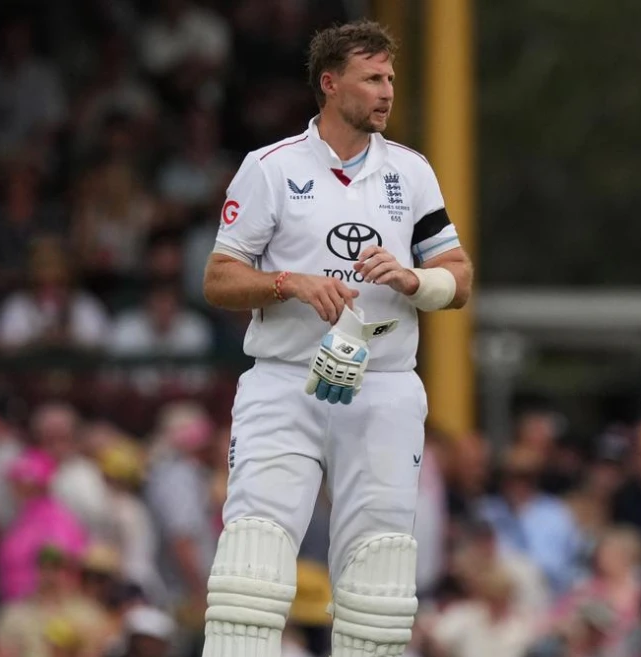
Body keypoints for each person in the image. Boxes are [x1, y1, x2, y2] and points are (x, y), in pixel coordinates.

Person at [198, 19, 473, 657]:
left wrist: (412, 280)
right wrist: (289, 283)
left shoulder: (412, 171)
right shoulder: (269, 167)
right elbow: (218, 278)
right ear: (330, 84)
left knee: (378, 570)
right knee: (253, 561)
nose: (386, 92)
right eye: (372, 78)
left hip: (382, 384)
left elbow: (459, 280)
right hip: (285, 381)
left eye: (391, 79)